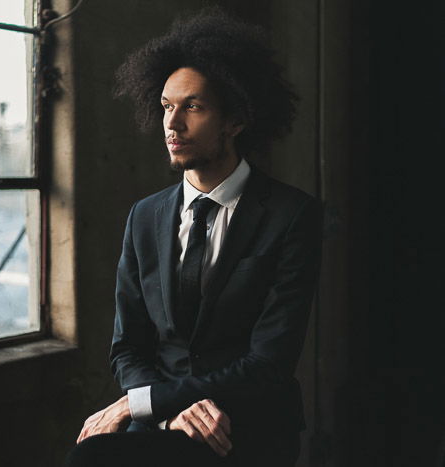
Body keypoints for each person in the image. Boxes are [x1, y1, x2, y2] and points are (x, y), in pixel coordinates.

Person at [65, 6, 322, 467]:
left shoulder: (292, 216)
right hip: (163, 428)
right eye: (166, 106)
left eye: (193, 107)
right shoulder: (144, 217)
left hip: (247, 429)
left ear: (236, 120)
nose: (172, 124)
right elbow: (128, 348)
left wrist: (138, 403)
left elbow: (269, 363)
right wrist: (167, 412)